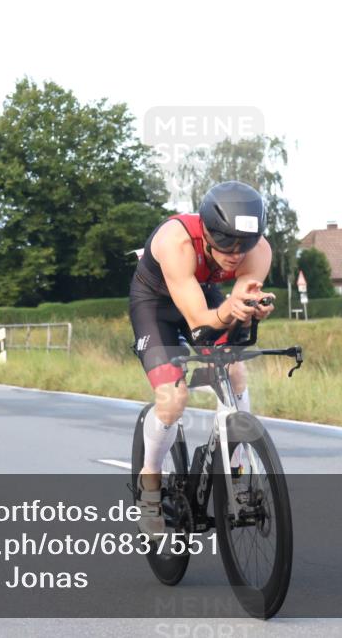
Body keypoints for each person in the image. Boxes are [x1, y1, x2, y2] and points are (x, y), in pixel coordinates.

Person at [128, 181, 275, 538]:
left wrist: (251, 310)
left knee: (235, 372)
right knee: (173, 397)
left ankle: (238, 475)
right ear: (207, 231)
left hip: (204, 295)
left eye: (244, 245)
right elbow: (197, 322)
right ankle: (149, 486)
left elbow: (237, 302)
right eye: (225, 243)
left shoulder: (259, 251)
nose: (235, 254)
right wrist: (230, 310)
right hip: (157, 305)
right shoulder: (175, 241)